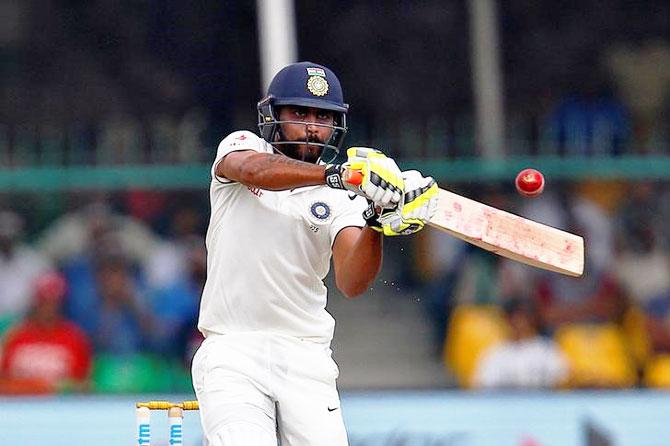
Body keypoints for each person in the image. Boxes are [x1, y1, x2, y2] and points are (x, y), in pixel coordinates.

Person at [190, 61, 438, 445]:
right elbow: (255, 171)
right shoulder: (243, 146)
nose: (311, 126)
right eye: (299, 112)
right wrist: (335, 175)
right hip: (232, 348)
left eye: (322, 116)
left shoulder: (341, 199)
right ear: (272, 114)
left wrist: (377, 220)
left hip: (305, 355)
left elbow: (353, 281)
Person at [0, 272, 92, 394]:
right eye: (44, 302)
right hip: (20, 406)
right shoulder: (16, 336)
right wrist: (34, 386)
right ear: (35, 303)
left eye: (53, 302)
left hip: (60, 408)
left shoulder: (75, 338)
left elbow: (85, 385)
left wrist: (58, 387)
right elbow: (3, 381)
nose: (48, 308)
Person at [473, 297, 568, 389]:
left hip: (541, 402)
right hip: (505, 403)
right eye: (514, 318)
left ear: (533, 320)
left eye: (523, 318)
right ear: (507, 320)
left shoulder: (547, 350)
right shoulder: (495, 353)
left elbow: (565, 382)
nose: (519, 323)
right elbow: (482, 387)